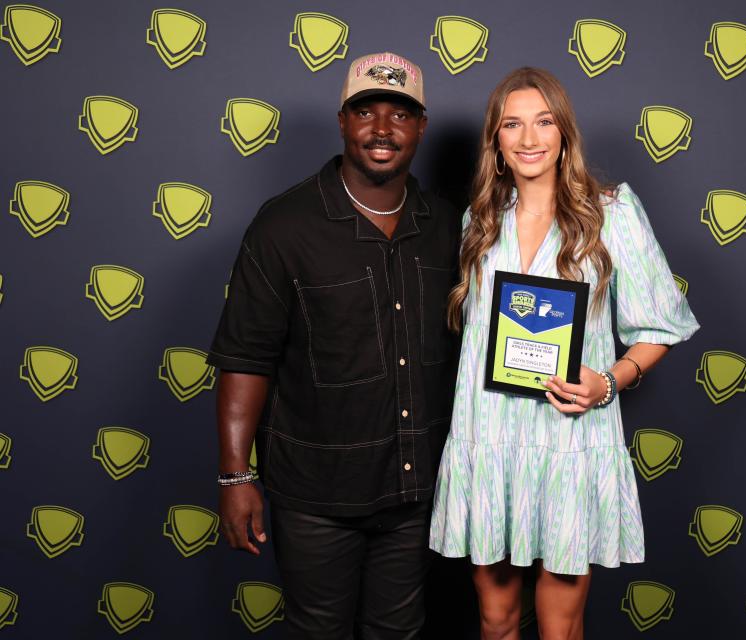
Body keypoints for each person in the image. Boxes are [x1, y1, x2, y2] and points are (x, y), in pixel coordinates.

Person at [428, 67, 700, 639]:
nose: (530, 139)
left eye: (543, 122)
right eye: (513, 125)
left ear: (564, 132)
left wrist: (610, 381)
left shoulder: (612, 214)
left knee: (559, 627)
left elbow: (660, 326)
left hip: (570, 441)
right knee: (495, 618)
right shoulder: (477, 223)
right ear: (496, 143)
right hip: (490, 437)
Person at [207, 52, 460, 639]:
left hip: (416, 490)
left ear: (421, 127)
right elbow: (246, 357)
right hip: (315, 494)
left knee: (398, 631)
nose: (381, 128)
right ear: (343, 121)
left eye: (400, 114)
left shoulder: (450, 225)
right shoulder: (283, 226)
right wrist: (233, 476)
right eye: (365, 111)